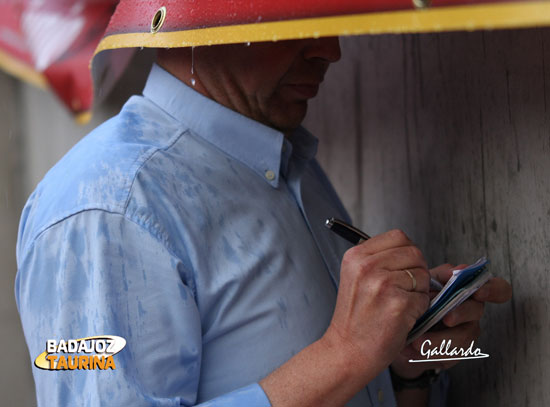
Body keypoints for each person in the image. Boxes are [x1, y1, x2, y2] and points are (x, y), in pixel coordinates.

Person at [15, 37, 512, 407]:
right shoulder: (107, 207)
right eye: (292, 18)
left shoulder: (285, 156)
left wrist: (402, 368)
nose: (329, 50)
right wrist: (345, 355)